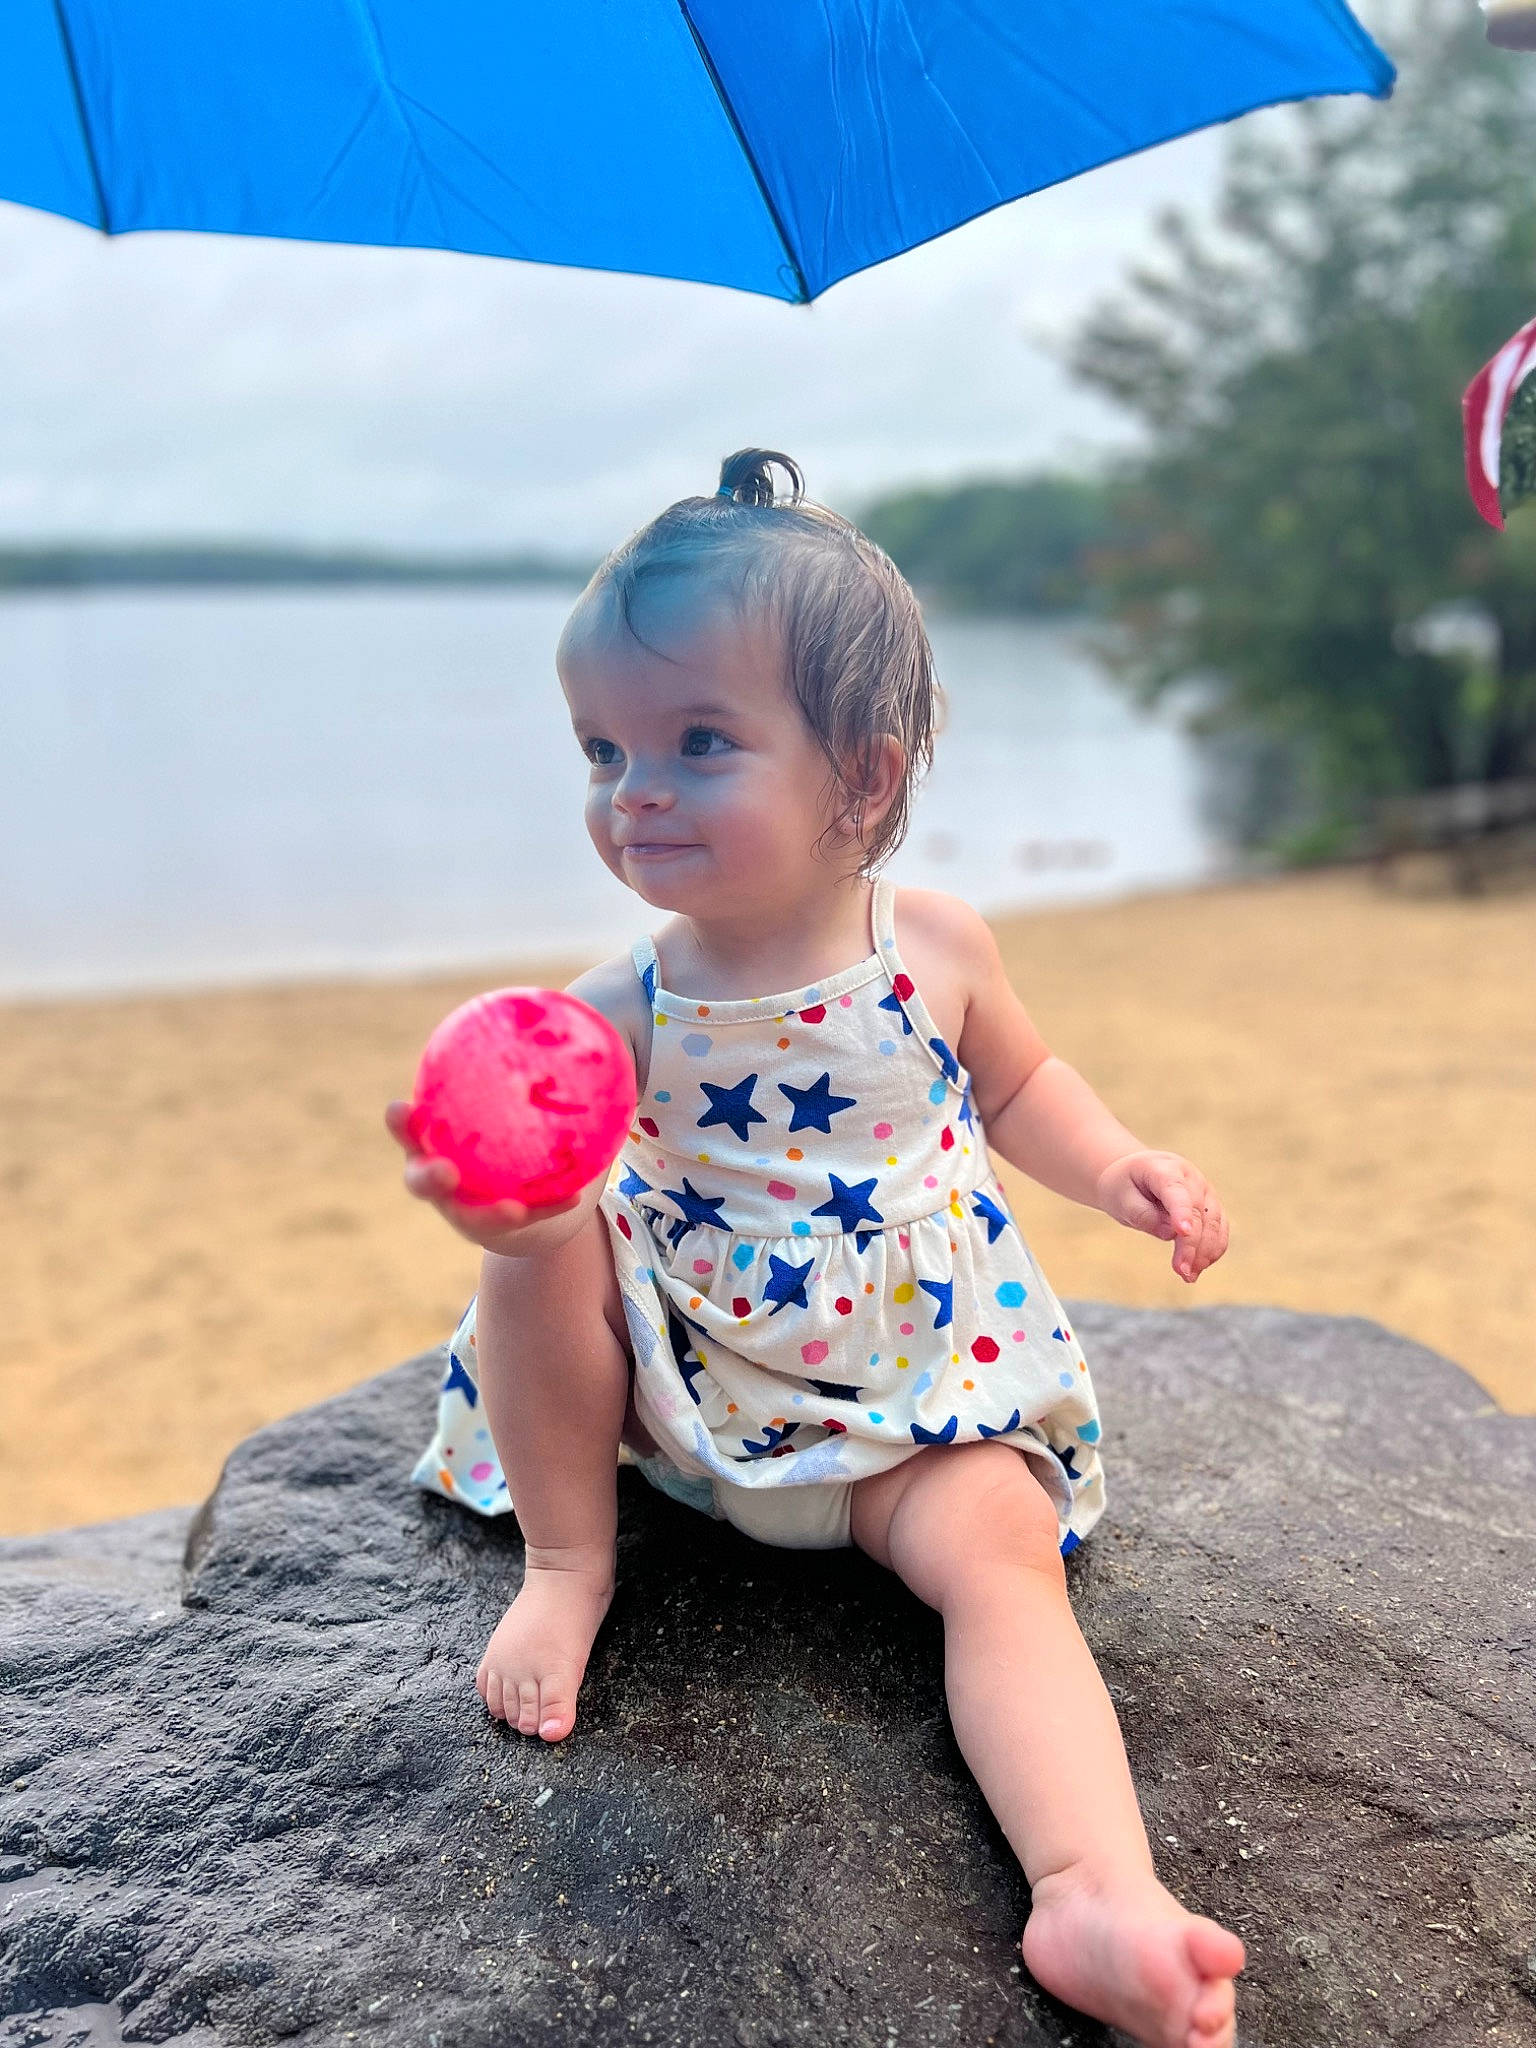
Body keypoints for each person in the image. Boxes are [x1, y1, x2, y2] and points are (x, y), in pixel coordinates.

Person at [386, 449, 1244, 2048]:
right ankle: (571, 1562)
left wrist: (1119, 1163)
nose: (633, 790)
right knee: (551, 1241)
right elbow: (548, 1196)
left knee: (1003, 1562)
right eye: (602, 748)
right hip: (686, 1408)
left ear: (864, 773)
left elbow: (1021, 1088)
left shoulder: (935, 947)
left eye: (699, 743)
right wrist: (507, 1210)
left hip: (915, 1403)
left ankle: (1093, 1890)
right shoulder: (619, 1008)